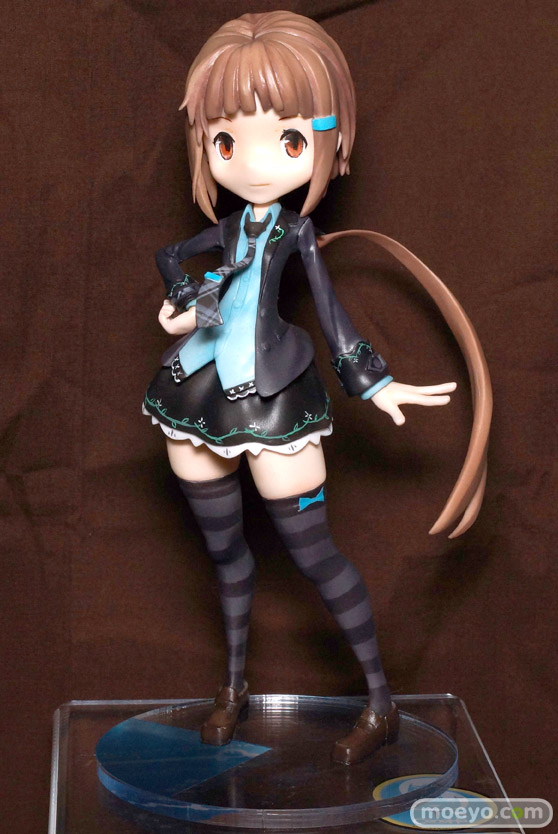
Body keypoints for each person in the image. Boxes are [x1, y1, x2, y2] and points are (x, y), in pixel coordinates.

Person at [143, 11, 491, 765]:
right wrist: (184, 299)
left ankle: (380, 702)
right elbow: (174, 255)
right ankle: (233, 687)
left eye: (289, 140)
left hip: (274, 402)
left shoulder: (296, 234)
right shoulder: (226, 231)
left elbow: (331, 314)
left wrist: (375, 382)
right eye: (226, 141)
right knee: (226, 556)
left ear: (323, 143)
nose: (254, 162)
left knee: (316, 558)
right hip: (197, 394)